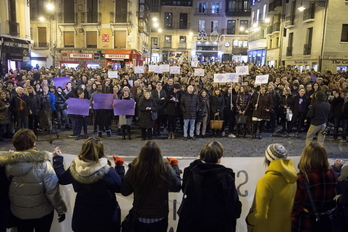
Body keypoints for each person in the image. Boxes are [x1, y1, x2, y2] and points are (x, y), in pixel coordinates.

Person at [0, 129, 67, 232]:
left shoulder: (7, 164)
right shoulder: (44, 163)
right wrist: (61, 209)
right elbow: (52, 191)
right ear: (33, 143)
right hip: (42, 214)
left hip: (19, 213)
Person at [52, 137, 125, 232]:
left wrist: (57, 159)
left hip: (83, 218)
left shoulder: (76, 168)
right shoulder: (108, 172)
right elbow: (120, 187)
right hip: (106, 219)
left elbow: (62, 179)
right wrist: (119, 168)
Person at [177, 141, 241, 232]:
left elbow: (185, 190)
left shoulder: (191, 171)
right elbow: (233, 207)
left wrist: (196, 162)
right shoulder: (225, 177)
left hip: (192, 221)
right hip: (217, 223)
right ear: (219, 158)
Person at [121, 141, 181, 231]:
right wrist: (175, 167)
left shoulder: (134, 169)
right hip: (160, 216)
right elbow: (176, 186)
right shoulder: (165, 169)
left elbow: (125, 191)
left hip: (140, 216)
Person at [246, 144, 297, 232]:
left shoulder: (265, 182)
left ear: (267, 159)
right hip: (285, 228)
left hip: (265, 228)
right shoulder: (292, 178)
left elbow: (260, 215)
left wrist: (249, 220)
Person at [291, 142, 337, 232]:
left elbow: (295, 205)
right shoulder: (332, 174)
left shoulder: (301, 178)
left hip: (305, 223)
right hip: (325, 223)